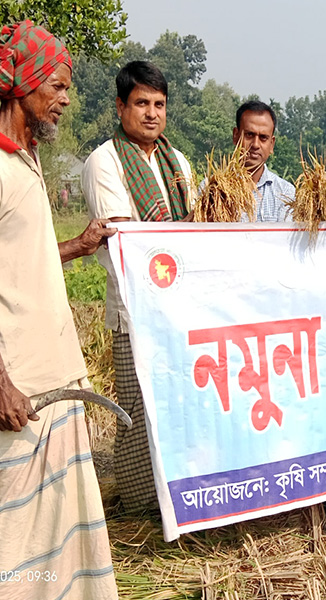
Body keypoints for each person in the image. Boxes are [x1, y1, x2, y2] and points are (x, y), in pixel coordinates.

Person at [0, 20, 118, 599]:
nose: (67, 98)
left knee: (60, 546)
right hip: (21, 389)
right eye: (57, 85)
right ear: (22, 84)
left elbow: (24, 260)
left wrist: (78, 245)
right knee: (19, 547)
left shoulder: (25, 160)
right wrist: (1, 382)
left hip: (54, 376)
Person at [82, 60, 195, 511]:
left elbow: (193, 231)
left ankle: (175, 494)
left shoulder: (177, 161)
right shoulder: (103, 162)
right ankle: (138, 502)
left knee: (176, 403)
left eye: (159, 104)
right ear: (120, 106)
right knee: (137, 406)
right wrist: (182, 233)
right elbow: (125, 241)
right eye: (141, 103)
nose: (151, 113)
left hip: (180, 308)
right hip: (134, 309)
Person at [231, 100, 294, 221]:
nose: (255, 145)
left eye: (263, 138)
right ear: (236, 135)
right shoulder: (212, 190)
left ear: (272, 144)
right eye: (249, 135)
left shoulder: (286, 194)